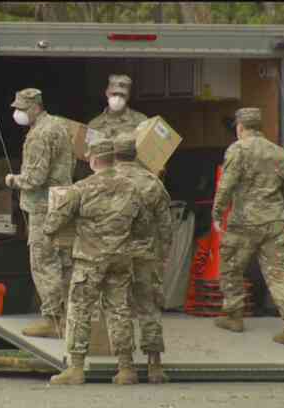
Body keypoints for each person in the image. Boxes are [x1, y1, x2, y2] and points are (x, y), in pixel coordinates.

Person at [44, 139, 147, 386]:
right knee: (120, 310)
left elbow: (54, 222)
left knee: (80, 310)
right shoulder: (131, 188)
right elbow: (142, 225)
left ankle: (76, 369)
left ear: (92, 161)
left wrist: (49, 229)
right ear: (112, 159)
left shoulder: (81, 188)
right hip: (121, 259)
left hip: (90, 260)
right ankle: (126, 369)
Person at [211, 107, 284, 347]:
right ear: (259, 127)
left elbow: (226, 185)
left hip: (244, 221)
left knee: (230, 267)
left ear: (240, 127)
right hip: (274, 222)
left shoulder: (238, 149)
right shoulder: (279, 153)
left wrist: (218, 213)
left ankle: (233, 316)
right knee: (279, 274)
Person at [5, 88, 75, 339]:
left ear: (35, 107)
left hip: (42, 208)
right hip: (62, 203)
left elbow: (35, 178)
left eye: (22, 109)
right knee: (65, 263)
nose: (18, 113)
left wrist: (13, 180)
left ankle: (53, 320)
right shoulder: (60, 126)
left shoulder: (39, 135)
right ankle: (69, 319)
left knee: (44, 262)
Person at [113, 132, 173, 384]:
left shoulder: (105, 181)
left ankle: (126, 368)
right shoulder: (152, 182)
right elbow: (166, 226)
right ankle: (155, 366)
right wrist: (163, 255)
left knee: (119, 309)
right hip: (147, 255)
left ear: (114, 154)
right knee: (149, 308)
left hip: (115, 255)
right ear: (136, 153)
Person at [88, 74, 148, 139]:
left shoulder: (141, 121)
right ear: (107, 93)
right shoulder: (94, 125)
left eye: (122, 95)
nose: (118, 98)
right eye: (114, 94)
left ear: (128, 96)